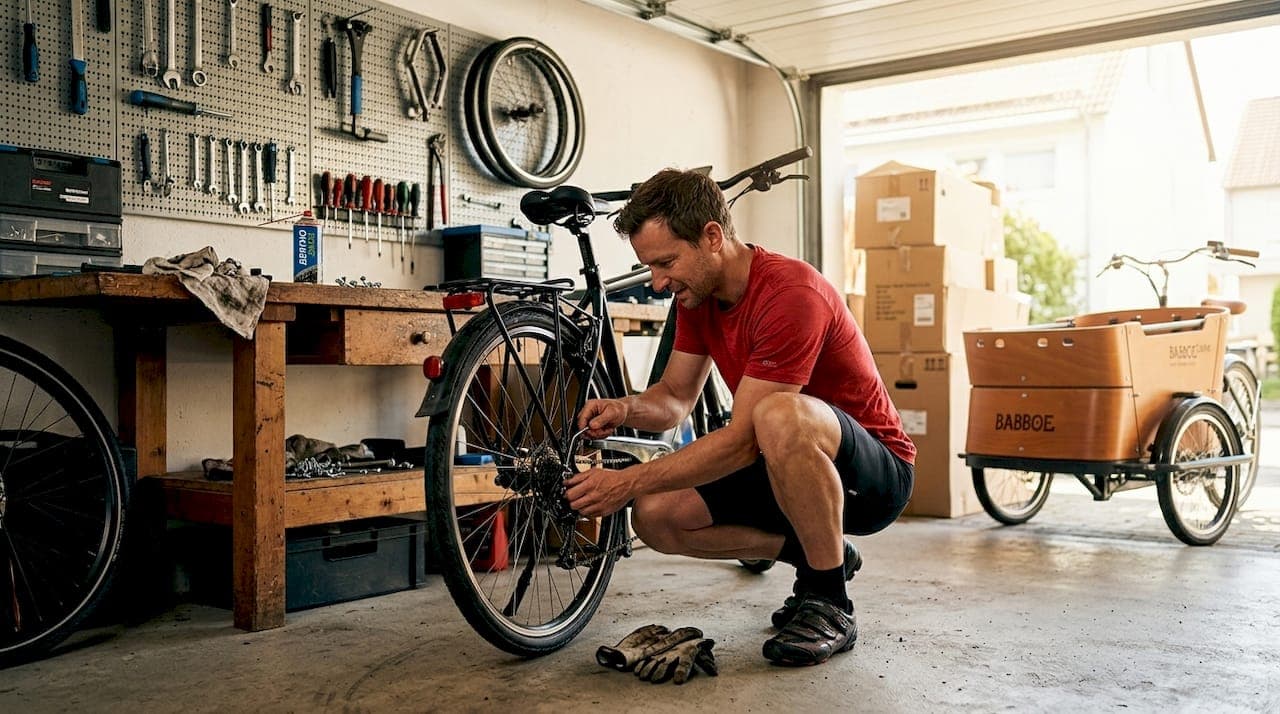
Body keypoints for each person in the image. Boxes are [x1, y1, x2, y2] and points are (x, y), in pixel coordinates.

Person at [564, 167, 916, 667]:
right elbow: (673, 398)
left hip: (873, 477)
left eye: (666, 262)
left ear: (712, 236)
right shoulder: (698, 296)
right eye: (650, 267)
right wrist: (624, 409)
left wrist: (627, 480)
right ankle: (822, 556)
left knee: (776, 415)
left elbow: (742, 442)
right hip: (782, 465)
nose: (658, 282)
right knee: (655, 515)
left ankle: (831, 602)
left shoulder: (791, 292)